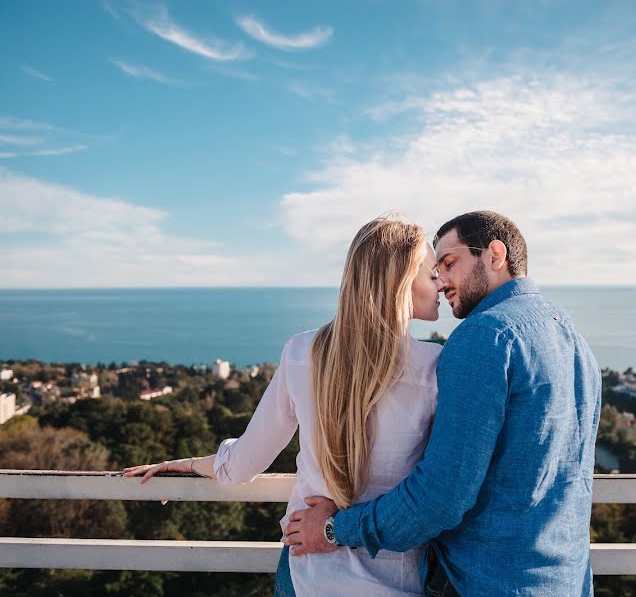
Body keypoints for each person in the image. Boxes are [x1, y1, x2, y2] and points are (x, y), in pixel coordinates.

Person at [286, 211, 602, 596]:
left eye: (450, 263)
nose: (442, 280)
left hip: (489, 582)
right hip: (566, 581)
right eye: (436, 269)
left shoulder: (484, 337)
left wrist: (335, 529)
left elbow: (439, 498)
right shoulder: (570, 333)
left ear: (495, 255)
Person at [124, 217, 445, 596]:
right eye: (431, 273)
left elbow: (244, 461)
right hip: (395, 579)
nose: (440, 283)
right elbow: (441, 489)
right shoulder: (438, 368)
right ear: (401, 283)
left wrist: (193, 465)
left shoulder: (302, 353)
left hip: (305, 574)